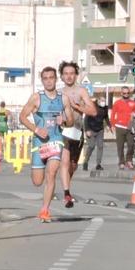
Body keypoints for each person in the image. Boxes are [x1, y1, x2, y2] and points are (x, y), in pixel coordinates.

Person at [18, 65, 70, 222]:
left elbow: (70, 120)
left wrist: (65, 120)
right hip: (39, 143)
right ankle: (44, 207)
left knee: (52, 173)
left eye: (51, 78)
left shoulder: (63, 98)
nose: (48, 81)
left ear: (56, 79)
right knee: (37, 181)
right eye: (45, 78)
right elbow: (22, 116)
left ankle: (45, 210)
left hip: (55, 140)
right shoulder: (36, 98)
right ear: (42, 80)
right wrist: (36, 130)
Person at [58, 61, 93, 207]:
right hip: (63, 132)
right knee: (64, 163)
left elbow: (92, 111)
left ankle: (67, 187)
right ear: (61, 76)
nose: (69, 76)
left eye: (71, 73)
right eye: (66, 74)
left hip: (77, 132)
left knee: (73, 166)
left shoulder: (81, 91)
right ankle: (67, 194)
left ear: (76, 75)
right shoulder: (58, 92)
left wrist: (77, 106)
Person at [110, 89, 135, 169]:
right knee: (120, 146)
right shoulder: (117, 103)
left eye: (127, 93)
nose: (126, 94)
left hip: (130, 127)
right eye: (124, 93)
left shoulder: (133, 103)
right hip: (119, 127)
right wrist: (112, 125)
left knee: (131, 145)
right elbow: (113, 114)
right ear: (121, 93)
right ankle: (121, 162)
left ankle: (129, 161)